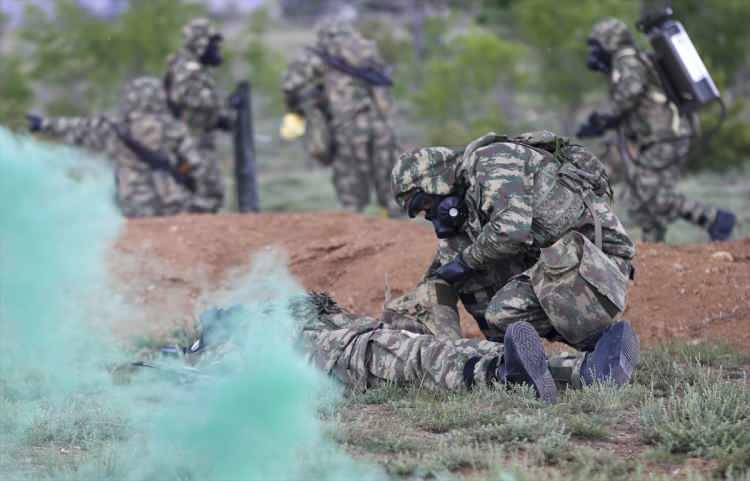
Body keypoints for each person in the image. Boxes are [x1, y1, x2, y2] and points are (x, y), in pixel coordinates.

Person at [388, 131, 640, 388]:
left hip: (598, 259)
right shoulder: (467, 198)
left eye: (423, 203)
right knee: (487, 302)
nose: (427, 213)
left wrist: (465, 262)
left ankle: (603, 346)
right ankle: (521, 366)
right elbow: (452, 267)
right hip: (565, 259)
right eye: (419, 212)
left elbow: (511, 232)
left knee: (501, 305)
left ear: (435, 180)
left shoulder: (492, 161)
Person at [157, 292, 639, 403]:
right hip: (342, 360)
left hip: (354, 341)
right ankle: (504, 376)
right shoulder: (216, 354)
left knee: (444, 349)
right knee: (428, 360)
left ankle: (582, 371)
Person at [577, 17, 736, 243]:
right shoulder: (627, 62)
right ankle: (653, 244)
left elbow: (629, 95)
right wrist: (600, 124)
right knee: (641, 195)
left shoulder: (627, 61)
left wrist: (602, 119)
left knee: (651, 194)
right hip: (659, 136)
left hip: (666, 135)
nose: (594, 52)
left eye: (597, 45)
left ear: (610, 41)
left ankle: (715, 219)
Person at [27, 77, 221, 217]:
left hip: (130, 205)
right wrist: (179, 174)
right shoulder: (173, 128)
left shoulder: (115, 127)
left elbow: (77, 129)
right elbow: (194, 163)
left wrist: (43, 124)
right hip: (170, 205)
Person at [281, 19, 401, 216]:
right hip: (382, 125)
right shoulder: (368, 51)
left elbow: (290, 86)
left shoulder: (317, 55)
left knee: (352, 197)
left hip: (347, 127)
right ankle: (398, 227)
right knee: (390, 189)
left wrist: (300, 107)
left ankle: (356, 228)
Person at [164, 17, 233, 211]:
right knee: (208, 195)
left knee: (207, 195)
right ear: (199, 44)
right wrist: (219, 114)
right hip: (191, 144)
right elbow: (184, 98)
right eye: (212, 43)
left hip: (196, 142)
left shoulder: (194, 68)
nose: (217, 48)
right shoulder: (187, 68)